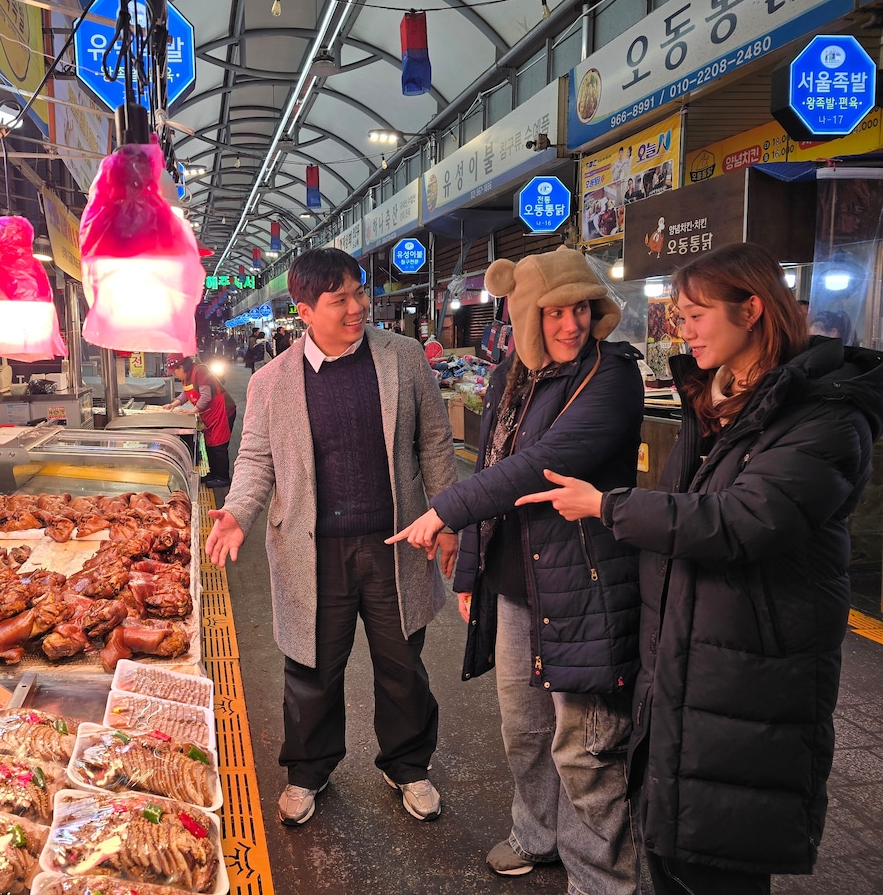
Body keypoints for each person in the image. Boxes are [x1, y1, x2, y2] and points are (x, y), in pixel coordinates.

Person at [515, 243, 883, 893]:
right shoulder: (716, 401)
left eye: (695, 313)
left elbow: (742, 521)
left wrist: (607, 507)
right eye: (679, 314)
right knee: (674, 848)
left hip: (752, 673)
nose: (682, 329)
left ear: (753, 310)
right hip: (687, 659)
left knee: (721, 857)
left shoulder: (824, 416)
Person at [387, 246, 643, 893]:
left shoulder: (611, 376)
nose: (570, 325)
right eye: (554, 313)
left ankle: (598, 881)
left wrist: (443, 510)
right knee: (523, 727)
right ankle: (536, 834)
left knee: (585, 748)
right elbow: (493, 467)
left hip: (582, 587)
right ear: (525, 317)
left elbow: (538, 466)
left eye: (581, 309)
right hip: (514, 586)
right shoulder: (509, 379)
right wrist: (471, 570)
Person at [205, 247, 458, 827]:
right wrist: (239, 511)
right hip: (313, 550)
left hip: (398, 542)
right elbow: (256, 459)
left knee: (403, 664)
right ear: (304, 310)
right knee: (312, 669)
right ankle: (308, 771)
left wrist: (447, 516)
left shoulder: (403, 358)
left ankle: (407, 764)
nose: (355, 308)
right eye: (338, 299)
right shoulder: (272, 382)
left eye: (358, 293)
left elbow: (435, 443)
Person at [165, 353, 233, 488]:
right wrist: (174, 404)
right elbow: (186, 393)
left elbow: (206, 396)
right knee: (210, 444)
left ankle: (223, 477)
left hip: (223, 411)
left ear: (182, 367)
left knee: (219, 446)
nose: (175, 375)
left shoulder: (199, 371)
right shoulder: (187, 376)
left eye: (175, 371)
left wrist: (193, 410)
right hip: (210, 414)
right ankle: (213, 474)